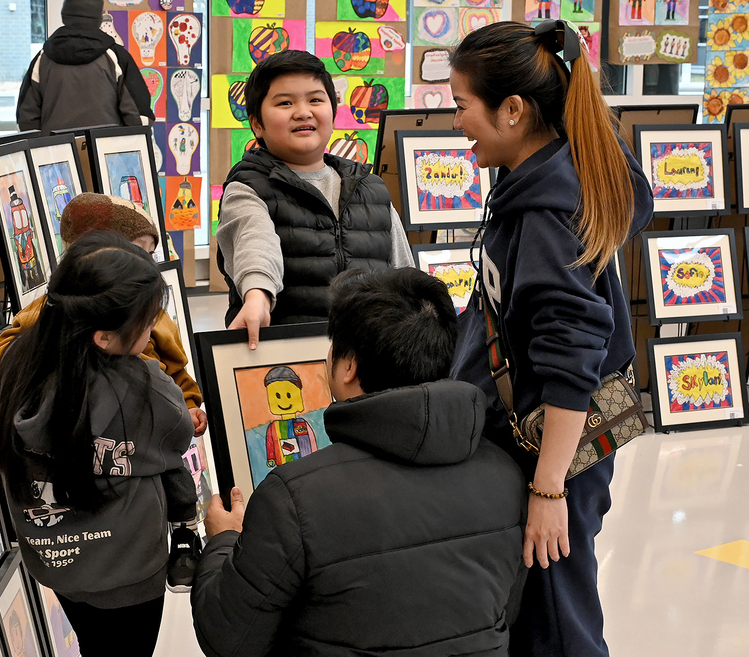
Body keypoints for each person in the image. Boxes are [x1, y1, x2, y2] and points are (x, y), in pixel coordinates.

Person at [448, 21, 654, 657]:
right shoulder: (548, 177)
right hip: (558, 444)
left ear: (512, 109)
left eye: (462, 107)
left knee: (556, 622)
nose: (457, 124)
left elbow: (571, 358)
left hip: (554, 450)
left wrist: (548, 488)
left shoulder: (546, 213)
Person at [192, 268, 527, 656]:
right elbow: (505, 611)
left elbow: (228, 640)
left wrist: (223, 541)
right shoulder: (508, 476)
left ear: (348, 365)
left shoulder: (292, 498)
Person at [0, 193, 206, 591]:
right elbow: (12, 342)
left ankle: (184, 530)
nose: (142, 268)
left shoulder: (153, 314)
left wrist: (189, 400)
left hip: (146, 421)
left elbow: (176, 361)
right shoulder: (54, 307)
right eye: (134, 255)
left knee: (173, 470)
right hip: (84, 422)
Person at [0, 232, 194, 656]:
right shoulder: (144, 386)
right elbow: (178, 435)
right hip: (129, 569)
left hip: (57, 561)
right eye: (148, 321)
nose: (153, 327)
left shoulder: (15, 364)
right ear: (103, 337)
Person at [215, 50, 414, 349]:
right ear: (257, 124)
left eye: (315, 100)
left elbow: (403, 272)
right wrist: (257, 295)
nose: (303, 112)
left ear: (333, 113)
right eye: (285, 103)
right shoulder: (247, 187)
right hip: (288, 358)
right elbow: (254, 241)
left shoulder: (371, 188)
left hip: (369, 357)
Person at [16, 0, 154, 133]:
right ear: (99, 19)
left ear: (64, 16)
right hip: (105, 151)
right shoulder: (116, 56)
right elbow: (138, 116)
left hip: (56, 152)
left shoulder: (42, 58)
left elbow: (26, 120)